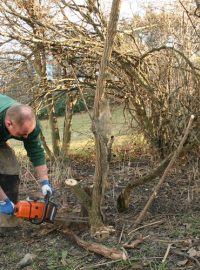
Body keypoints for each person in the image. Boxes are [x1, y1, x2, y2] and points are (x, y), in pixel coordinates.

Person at [0, 94, 53, 234]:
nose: (26, 137)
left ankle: (6, 224)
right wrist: (3, 199)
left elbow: (36, 151)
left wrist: (44, 182)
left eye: (28, 133)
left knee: (10, 170)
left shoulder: (28, 124)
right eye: (23, 134)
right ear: (8, 123)